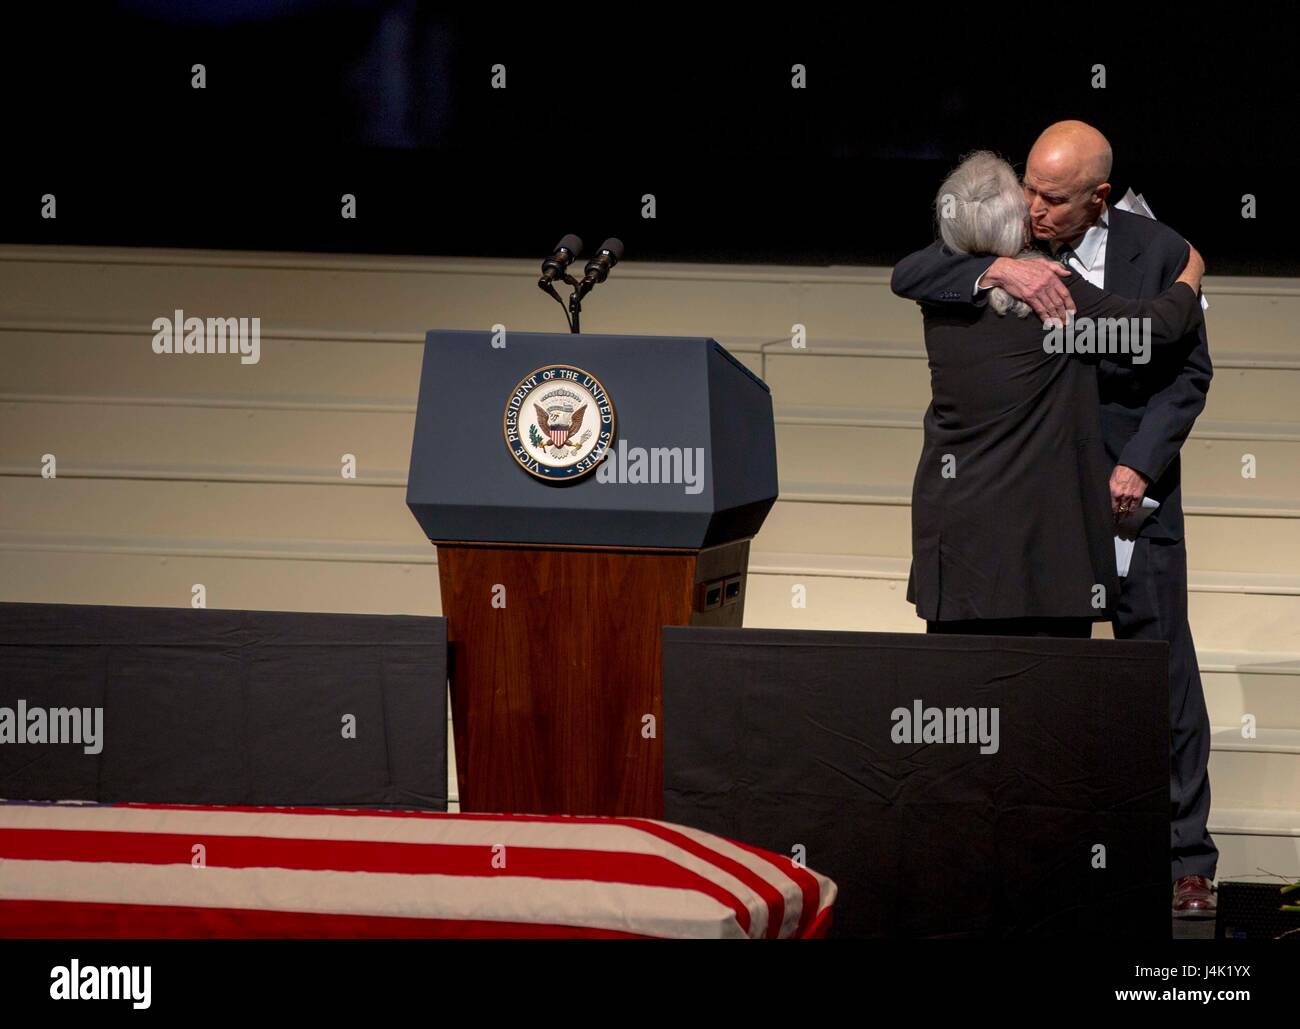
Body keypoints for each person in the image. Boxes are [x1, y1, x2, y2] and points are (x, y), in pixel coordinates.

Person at [892, 122, 1218, 918]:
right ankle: (1059, 850)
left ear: (1098, 198)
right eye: (1030, 187)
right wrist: (995, 267)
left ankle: (1185, 860)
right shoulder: (997, 246)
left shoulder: (1154, 245)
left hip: (1127, 493)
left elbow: (1188, 367)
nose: (1034, 206)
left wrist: (1140, 461)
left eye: (1055, 197)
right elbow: (910, 269)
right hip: (1043, 505)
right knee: (1055, 681)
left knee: (1160, 676)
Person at [907, 150, 1204, 642]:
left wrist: (993, 270)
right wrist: (1191, 273)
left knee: (963, 694)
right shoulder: (1059, 299)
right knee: (1048, 701)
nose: (1035, 209)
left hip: (957, 539)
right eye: (1027, 198)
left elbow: (905, 271)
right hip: (1041, 550)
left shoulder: (938, 294)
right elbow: (1158, 329)